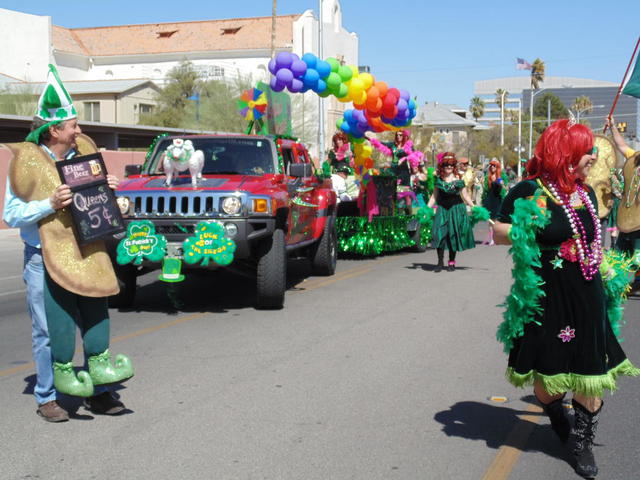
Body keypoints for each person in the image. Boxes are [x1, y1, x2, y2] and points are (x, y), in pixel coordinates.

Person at [493, 119, 639, 478]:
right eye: (586, 150)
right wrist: (529, 226)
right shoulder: (529, 190)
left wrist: (606, 267)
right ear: (566, 153)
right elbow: (497, 232)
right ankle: (557, 412)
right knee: (546, 381)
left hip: (588, 293)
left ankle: (582, 442)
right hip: (548, 297)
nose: (593, 156)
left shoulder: (586, 192)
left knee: (591, 371)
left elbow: (593, 239)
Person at [6, 64, 133, 417]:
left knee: (94, 316)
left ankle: (101, 391)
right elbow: (12, 214)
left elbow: (99, 206)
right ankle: (48, 396)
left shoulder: (83, 158)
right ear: (53, 131)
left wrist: (107, 190)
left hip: (86, 249)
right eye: (73, 125)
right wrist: (48, 204)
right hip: (41, 257)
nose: (79, 129)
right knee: (48, 329)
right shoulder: (27, 165)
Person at [427, 152, 475, 272]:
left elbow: (465, 196)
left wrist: (474, 207)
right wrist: (426, 209)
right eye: (447, 165)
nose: (449, 167)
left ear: (454, 167)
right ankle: (439, 262)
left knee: (452, 235)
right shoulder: (438, 181)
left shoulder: (459, 180)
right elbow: (434, 197)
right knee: (439, 234)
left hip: (456, 209)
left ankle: (451, 262)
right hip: (442, 209)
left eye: (451, 165)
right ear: (442, 166)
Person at [481, 158, 506, 244]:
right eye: (491, 165)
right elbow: (485, 190)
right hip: (489, 199)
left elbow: (504, 189)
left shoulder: (501, 177)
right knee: (490, 220)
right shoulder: (487, 177)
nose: (492, 167)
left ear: (497, 167)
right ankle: (491, 239)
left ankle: (496, 238)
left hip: (498, 200)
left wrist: (502, 185)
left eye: (494, 165)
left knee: (496, 221)